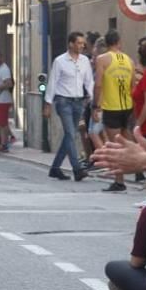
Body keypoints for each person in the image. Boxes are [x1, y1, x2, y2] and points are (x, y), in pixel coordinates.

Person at [45, 32, 94, 181]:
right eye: (79, 43)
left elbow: (89, 81)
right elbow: (52, 82)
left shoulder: (85, 60)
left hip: (78, 102)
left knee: (69, 135)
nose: (82, 46)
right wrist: (48, 103)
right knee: (71, 134)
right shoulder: (60, 61)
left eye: (83, 43)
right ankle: (77, 169)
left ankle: (55, 168)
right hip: (63, 101)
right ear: (71, 44)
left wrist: (92, 98)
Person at [94, 30, 135, 192]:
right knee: (128, 139)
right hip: (127, 105)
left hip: (111, 106)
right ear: (119, 42)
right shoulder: (129, 60)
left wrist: (95, 105)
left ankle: (119, 181)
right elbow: (132, 85)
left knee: (115, 145)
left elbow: (98, 84)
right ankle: (140, 169)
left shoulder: (102, 59)